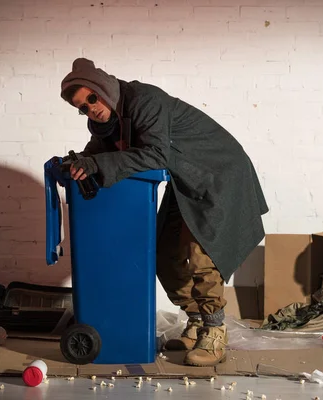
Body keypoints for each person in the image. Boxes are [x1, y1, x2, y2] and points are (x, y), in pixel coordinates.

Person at [60, 58, 269, 367]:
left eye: (92, 98)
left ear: (102, 87)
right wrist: (76, 161)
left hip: (218, 173)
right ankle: (196, 320)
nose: (91, 108)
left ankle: (214, 329)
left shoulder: (145, 101)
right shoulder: (108, 121)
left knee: (201, 252)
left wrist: (95, 165)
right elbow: (98, 152)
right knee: (162, 252)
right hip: (185, 180)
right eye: (83, 108)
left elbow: (156, 153)